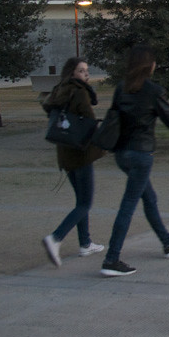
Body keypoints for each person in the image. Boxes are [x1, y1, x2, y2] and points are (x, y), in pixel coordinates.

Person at [99, 44, 169, 277]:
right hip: (141, 155)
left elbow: (112, 118)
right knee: (128, 206)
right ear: (149, 65)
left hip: (122, 154)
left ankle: (167, 241)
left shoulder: (121, 89)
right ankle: (111, 259)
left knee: (149, 198)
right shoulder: (153, 91)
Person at [41, 57, 107, 266]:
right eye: (81, 71)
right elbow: (88, 120)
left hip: (65, 153)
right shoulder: (79, 92)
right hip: (81, 153)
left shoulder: (59, 91)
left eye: (87, 70)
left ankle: (85, 243)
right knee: (85, 202)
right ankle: (55, 238)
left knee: (81, 201)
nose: (86, 74)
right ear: (72, 73)